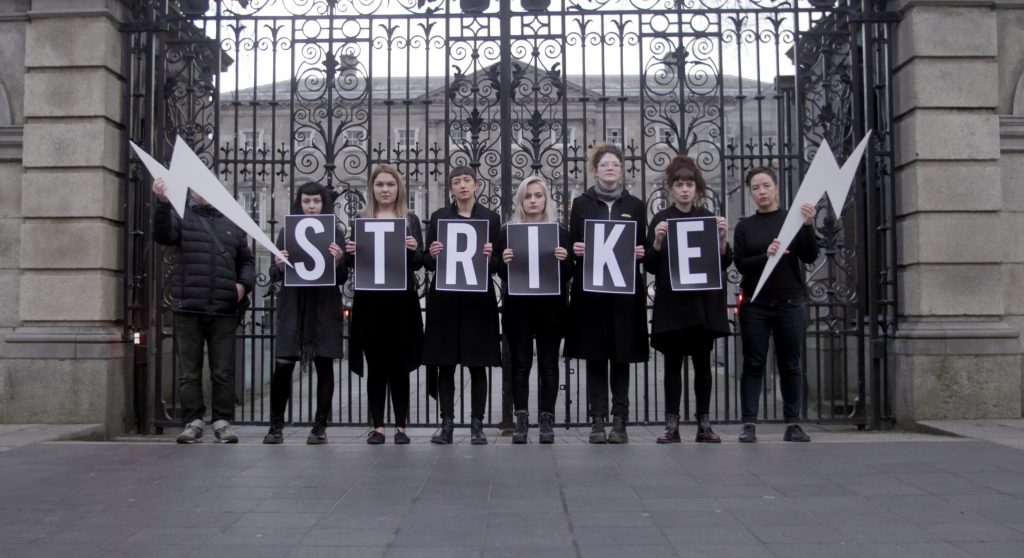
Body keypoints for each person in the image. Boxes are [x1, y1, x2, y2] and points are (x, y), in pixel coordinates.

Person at [152, 177, 255, 444]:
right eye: (199, 187)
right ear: (192, 192)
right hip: (189, 307)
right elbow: (163, 235)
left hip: (223, 308)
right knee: (189, 371)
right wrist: (162, 203)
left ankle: (222, 421)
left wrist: (243, 286)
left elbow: (247, 260)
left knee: (223, 371)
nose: (204, 192)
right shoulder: (179, 215)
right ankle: (193, 421)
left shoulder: (233, 222)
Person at [564, 143, 649, 444]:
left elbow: (646, 248)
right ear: (595, 169)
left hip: (624, 296)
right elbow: (573, 246)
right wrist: (576, 251)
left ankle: (620, 419)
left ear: (622, 169)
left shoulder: (636, 205)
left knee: (621, 356)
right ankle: (597, 420)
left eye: (615, 164)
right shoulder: (581, 204)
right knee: (595, 357)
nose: (610, 168)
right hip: (592, 295)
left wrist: (642, 251)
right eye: (604, 164)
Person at [647, 155, 731, 443]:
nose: (684, 189)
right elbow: (649, 263)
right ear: (670, 188)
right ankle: (672, 424)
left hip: (700, 304)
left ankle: (704, 424)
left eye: (689, 184)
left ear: (697, 188)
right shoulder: (661, 219)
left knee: (702, 363)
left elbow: (723, 263)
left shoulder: (708, 218)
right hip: (672, 304)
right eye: (679, 184)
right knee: (672, 364)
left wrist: (722, 239)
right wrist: (657, 242)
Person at [733, 166, 818, 443]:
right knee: (754, 362)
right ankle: (749, 424)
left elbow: (809, 255)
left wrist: (807, 226)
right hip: (755, 304)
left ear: (776, 187)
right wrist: (765, 255)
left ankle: (793, 423)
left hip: (790, 300)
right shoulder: (745, 225)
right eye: (756, 188)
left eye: (766, 185)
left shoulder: (792, 219)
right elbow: (741, 263)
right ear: (751, 192)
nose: (761, 192)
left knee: (790, 363)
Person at [344, 165, 425, 445]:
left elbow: (419, 263)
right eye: (379, 184)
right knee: (376, 364)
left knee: (399, 364)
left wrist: (415, 249)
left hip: (401, 300)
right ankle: (378, 426)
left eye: (390, 184)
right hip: (370, 301)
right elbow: (351, 264)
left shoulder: (410, 219)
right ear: (372, 188)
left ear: (398, 188)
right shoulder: (360, 218)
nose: (385, 189)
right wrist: (349, 253)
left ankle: (401, 426)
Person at [263, 181, 347, 445]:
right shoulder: (288, 230)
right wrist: (278, 263)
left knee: (324, 364)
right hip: (294, 304)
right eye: (306, 201)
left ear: (324, 203)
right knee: (283, 364)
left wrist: (338, 260)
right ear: (299, 203)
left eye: (316, 202)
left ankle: (320, 425)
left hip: (323, 305)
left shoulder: (335, 230)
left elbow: (343, 276)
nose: (311, 207)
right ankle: (276, 424)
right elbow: (274, 273)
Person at [423, 166, 502, 445]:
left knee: (477, 365)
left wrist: (491, 257)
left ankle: (477, 424)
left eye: (466, 180)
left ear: (477, 185)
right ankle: (447, 423)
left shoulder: (491, 218)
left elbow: (498, 266)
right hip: (445, 300)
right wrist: (432, 255)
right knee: (445, 365)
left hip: (477, 301)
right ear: (451, 189)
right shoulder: (439, 217)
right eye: (456, 182)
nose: (462, 185)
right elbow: (426, 261)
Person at [496, 176, 571, 444]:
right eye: (528, 196)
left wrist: (565, 260)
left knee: (550, 363)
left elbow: (571, 271)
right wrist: (503, 261)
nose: (533, 200)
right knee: (521, 364)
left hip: (551, 308)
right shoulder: (508, 232)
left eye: (538, 195)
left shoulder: (560, 231)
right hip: (519, 308)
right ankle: (522, 419)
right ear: (520, 201)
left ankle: (547, 419)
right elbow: (499, 270)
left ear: (545, 199)